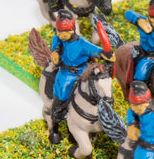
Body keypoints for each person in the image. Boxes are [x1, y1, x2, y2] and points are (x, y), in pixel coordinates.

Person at [48, 9, 114, 143]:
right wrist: (55, 54)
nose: (62, 35)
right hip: (67, 72)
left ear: (73, 29)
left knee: (96, 90)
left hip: (84, 72)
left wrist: (105, 54)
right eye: (60, 31)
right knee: (63, 92)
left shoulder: (82, 43)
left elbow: (96, 51)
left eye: (66, 31)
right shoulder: (57, 39)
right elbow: (55, 50)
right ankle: (56, 117)